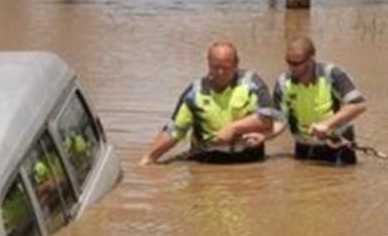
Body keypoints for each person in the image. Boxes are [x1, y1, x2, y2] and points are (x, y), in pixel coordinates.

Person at [139, 42, 274, 165]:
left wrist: (233, 128)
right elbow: (175, 131)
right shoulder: (194, 93)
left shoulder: (252, 84)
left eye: (226, 68)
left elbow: (267, 119)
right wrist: (148, 158)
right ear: (208, 63)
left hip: (249, 159)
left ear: (236, 64)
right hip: (206, 159)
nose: (220, 73)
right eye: (215, 67)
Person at [272, 35, 367, 165]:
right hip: (304, 146)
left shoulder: (333, 74)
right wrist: (263, 136)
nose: (291, 67)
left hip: (337, 144)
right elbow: (280, 121)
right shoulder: (283, 82)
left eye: (297, 64)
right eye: (288, 62)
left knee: (343, 178)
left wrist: (326, 125)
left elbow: (358, 105)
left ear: (311, 59)